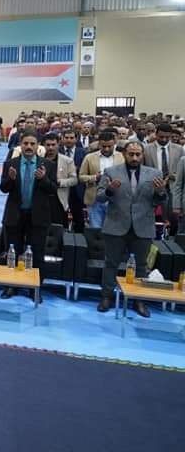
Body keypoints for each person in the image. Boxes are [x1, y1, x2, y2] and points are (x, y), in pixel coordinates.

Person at [97, 140, 166, 317]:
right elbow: (100, 197)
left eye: (138, 154)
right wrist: (109, 190)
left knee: (142, 266)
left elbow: (159, 201)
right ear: (124, 154)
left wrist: (160, 192)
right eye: (131, 154)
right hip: (116, 225)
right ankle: (106, 297)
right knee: (110, 263)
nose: (134, 158)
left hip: (143, 225)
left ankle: (139, 300)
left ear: (143, 155)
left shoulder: (155, 174)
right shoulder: (111, 172)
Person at [0, 130, 57, 300]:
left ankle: (34, 288)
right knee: (12, 253)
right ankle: (11, 286)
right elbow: (3, 188)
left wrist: (43, 179)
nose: (29, 146)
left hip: (38, 216)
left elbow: (53, 190)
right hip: (15, 215)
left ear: (38, 145)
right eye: (26, 143)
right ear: (20, 145)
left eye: (32, 143)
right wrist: (10, 179)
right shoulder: (10, 164)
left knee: (37, 254)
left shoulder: (48, 165)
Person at [79, 131, 123, 229]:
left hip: (116, 199)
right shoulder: (89, 157)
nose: (106, 149)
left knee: (113, 229)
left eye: (109, 146)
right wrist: (94, 177)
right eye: (104, 146)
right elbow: (81, 177)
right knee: (96, 229)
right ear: (99, 144)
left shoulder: (122, 157)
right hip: (94, 199)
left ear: (114, 144)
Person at [144, 123, 182, 235]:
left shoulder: (179, 149)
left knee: (172, 217)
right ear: (156, 134)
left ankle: (171, 237)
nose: (164, 139)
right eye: (161, 137)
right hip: (153, 187)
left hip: (172, 187)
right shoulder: (147, 149)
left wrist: (174, 176)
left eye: (167, 137)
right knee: (153, 216)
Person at [42, 133, 77, 227]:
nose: (50, 147)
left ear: (58, 144)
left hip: (59, 199)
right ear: (44, 145)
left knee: (58, 228)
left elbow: (74, 180)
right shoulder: (38, 159)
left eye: (53, 144)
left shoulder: (67, 161)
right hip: (41, 198)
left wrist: (60, 182)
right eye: (48, 145)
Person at [60, 129, 87, 232]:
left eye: (71, 138)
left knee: (78, 217)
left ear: (76, 139)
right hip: (61, 187)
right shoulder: (58, 151)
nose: (69, 140)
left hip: (77, 188)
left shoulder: (83, 152)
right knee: (61, 215)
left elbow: (85, 169)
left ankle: (79, 236)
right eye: (66, 138)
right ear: (62, 138)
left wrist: (75, 169)